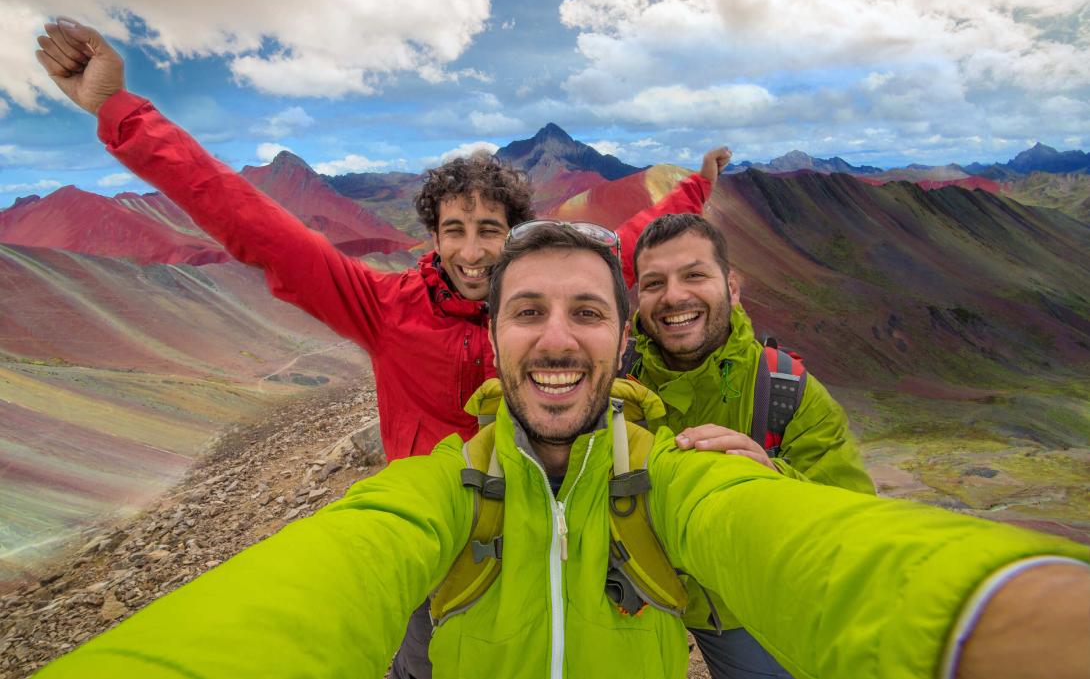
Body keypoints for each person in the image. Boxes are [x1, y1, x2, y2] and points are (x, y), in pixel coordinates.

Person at [33, 222, 1090, 679]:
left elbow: (805, 540)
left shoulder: (673, 472)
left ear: (620, 339)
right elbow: (320, 576)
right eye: (525, 310)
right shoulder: (440, 487)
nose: (553, 335)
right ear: (489, 340)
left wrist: (993, 613)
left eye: (586, 310)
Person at [33, 18, 731, 462]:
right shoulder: (383, 307)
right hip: (432, 534)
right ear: (432, 235)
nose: (473, 251)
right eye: (454, 230)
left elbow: (631, 240)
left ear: (513, 235)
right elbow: (253, 224)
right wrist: (118, 110)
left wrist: (696, 188)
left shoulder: (544, 293)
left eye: (491, 231)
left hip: (543, 515)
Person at [628, 213, 874, 678]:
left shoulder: (786, 389)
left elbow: (853, 515)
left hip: (741, 611)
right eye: (653, 283)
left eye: (694, 274)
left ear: (732, 286)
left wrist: (773, 481)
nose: (674, 296)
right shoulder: (619, 382)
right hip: (639, 601)